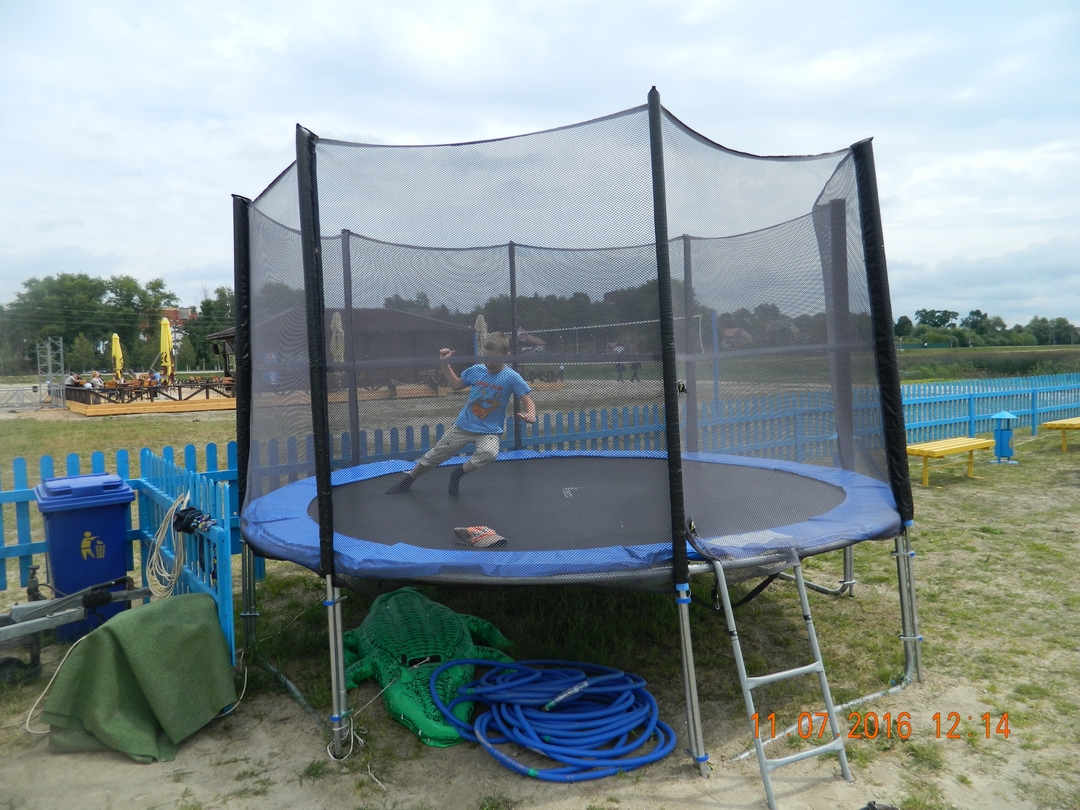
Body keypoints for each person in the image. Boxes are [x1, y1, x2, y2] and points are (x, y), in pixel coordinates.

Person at [386, 334, 536, 497]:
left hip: (489, 430)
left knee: (489, 453)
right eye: (486, 358)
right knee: (433, 457)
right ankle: (406, 482)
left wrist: (531, 414)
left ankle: (457, 474)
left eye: (494, 359)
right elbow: (455, 385)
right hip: (463, 426)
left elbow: (527, 401)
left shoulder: (511, 377)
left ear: (507, 356)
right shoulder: (476, 371)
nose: (489, 363)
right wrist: (444, 363)